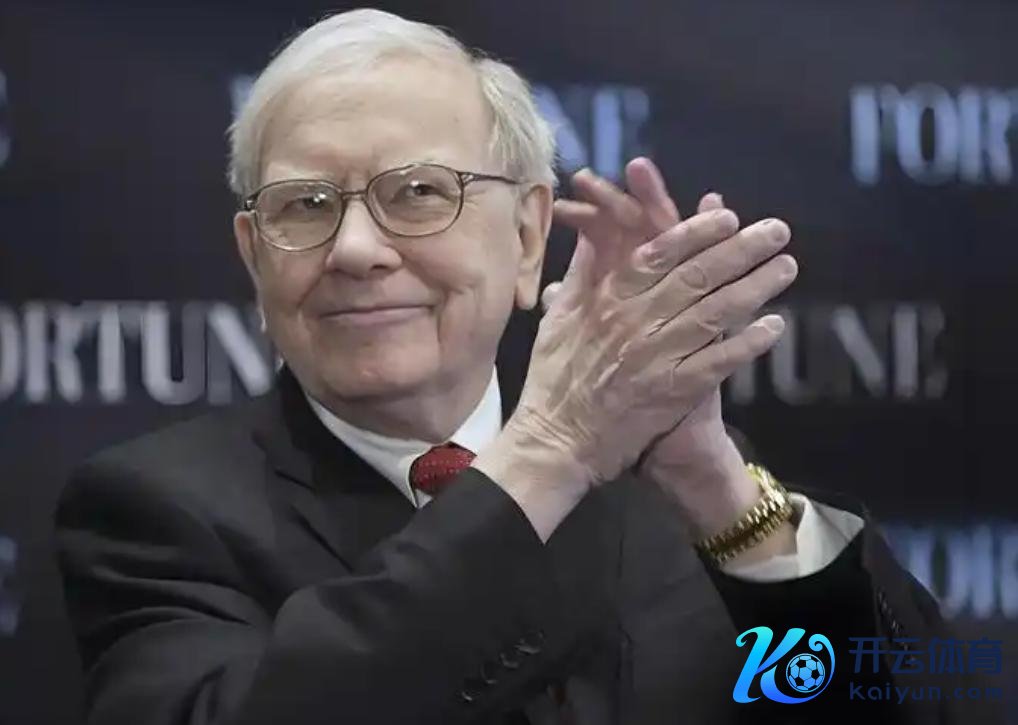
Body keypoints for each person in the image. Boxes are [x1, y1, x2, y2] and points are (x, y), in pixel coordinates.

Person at [54, 9, 981, 725]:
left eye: (418, 192)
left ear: (530, 235)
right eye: (305, 205)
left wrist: (718, 488)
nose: (356, 249)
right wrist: (545, 454)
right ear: (255, 256)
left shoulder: (676, 496)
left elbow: (905, 710)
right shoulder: (156, 514)